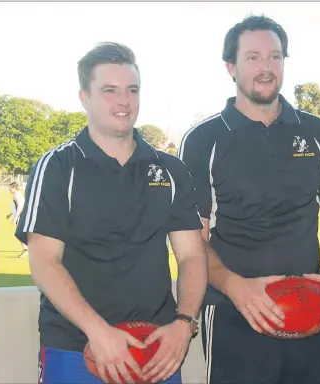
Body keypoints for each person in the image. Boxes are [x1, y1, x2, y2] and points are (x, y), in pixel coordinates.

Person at [178, 15, 320, 384]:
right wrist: (234, 286)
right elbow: (195, 243)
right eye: (253, 57)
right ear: (231, 67)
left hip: (313, 313)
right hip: (236, 316)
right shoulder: (203, 141)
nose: (266, 68)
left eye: (275, 57)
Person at [15, 42, 207, 384]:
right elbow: (44, 261)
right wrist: (99, 332)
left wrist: (184, 323)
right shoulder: (59, 166)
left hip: (155, 351)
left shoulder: (170, 170)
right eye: (109, 90)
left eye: (132, 90)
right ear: (84, 97)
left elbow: (192, 255)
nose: (124, 101)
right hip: (78, 349)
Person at [6, 181, 28, 257]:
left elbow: (19, 206)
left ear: (14, 187)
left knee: (19, 234)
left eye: (10, 188)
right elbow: (19, 206)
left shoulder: (16, 195)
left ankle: (25, 250)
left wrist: (15, 217)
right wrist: (10, 214)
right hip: (21, 215)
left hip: (19, 216)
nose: (9, 189)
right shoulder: (19, 194)